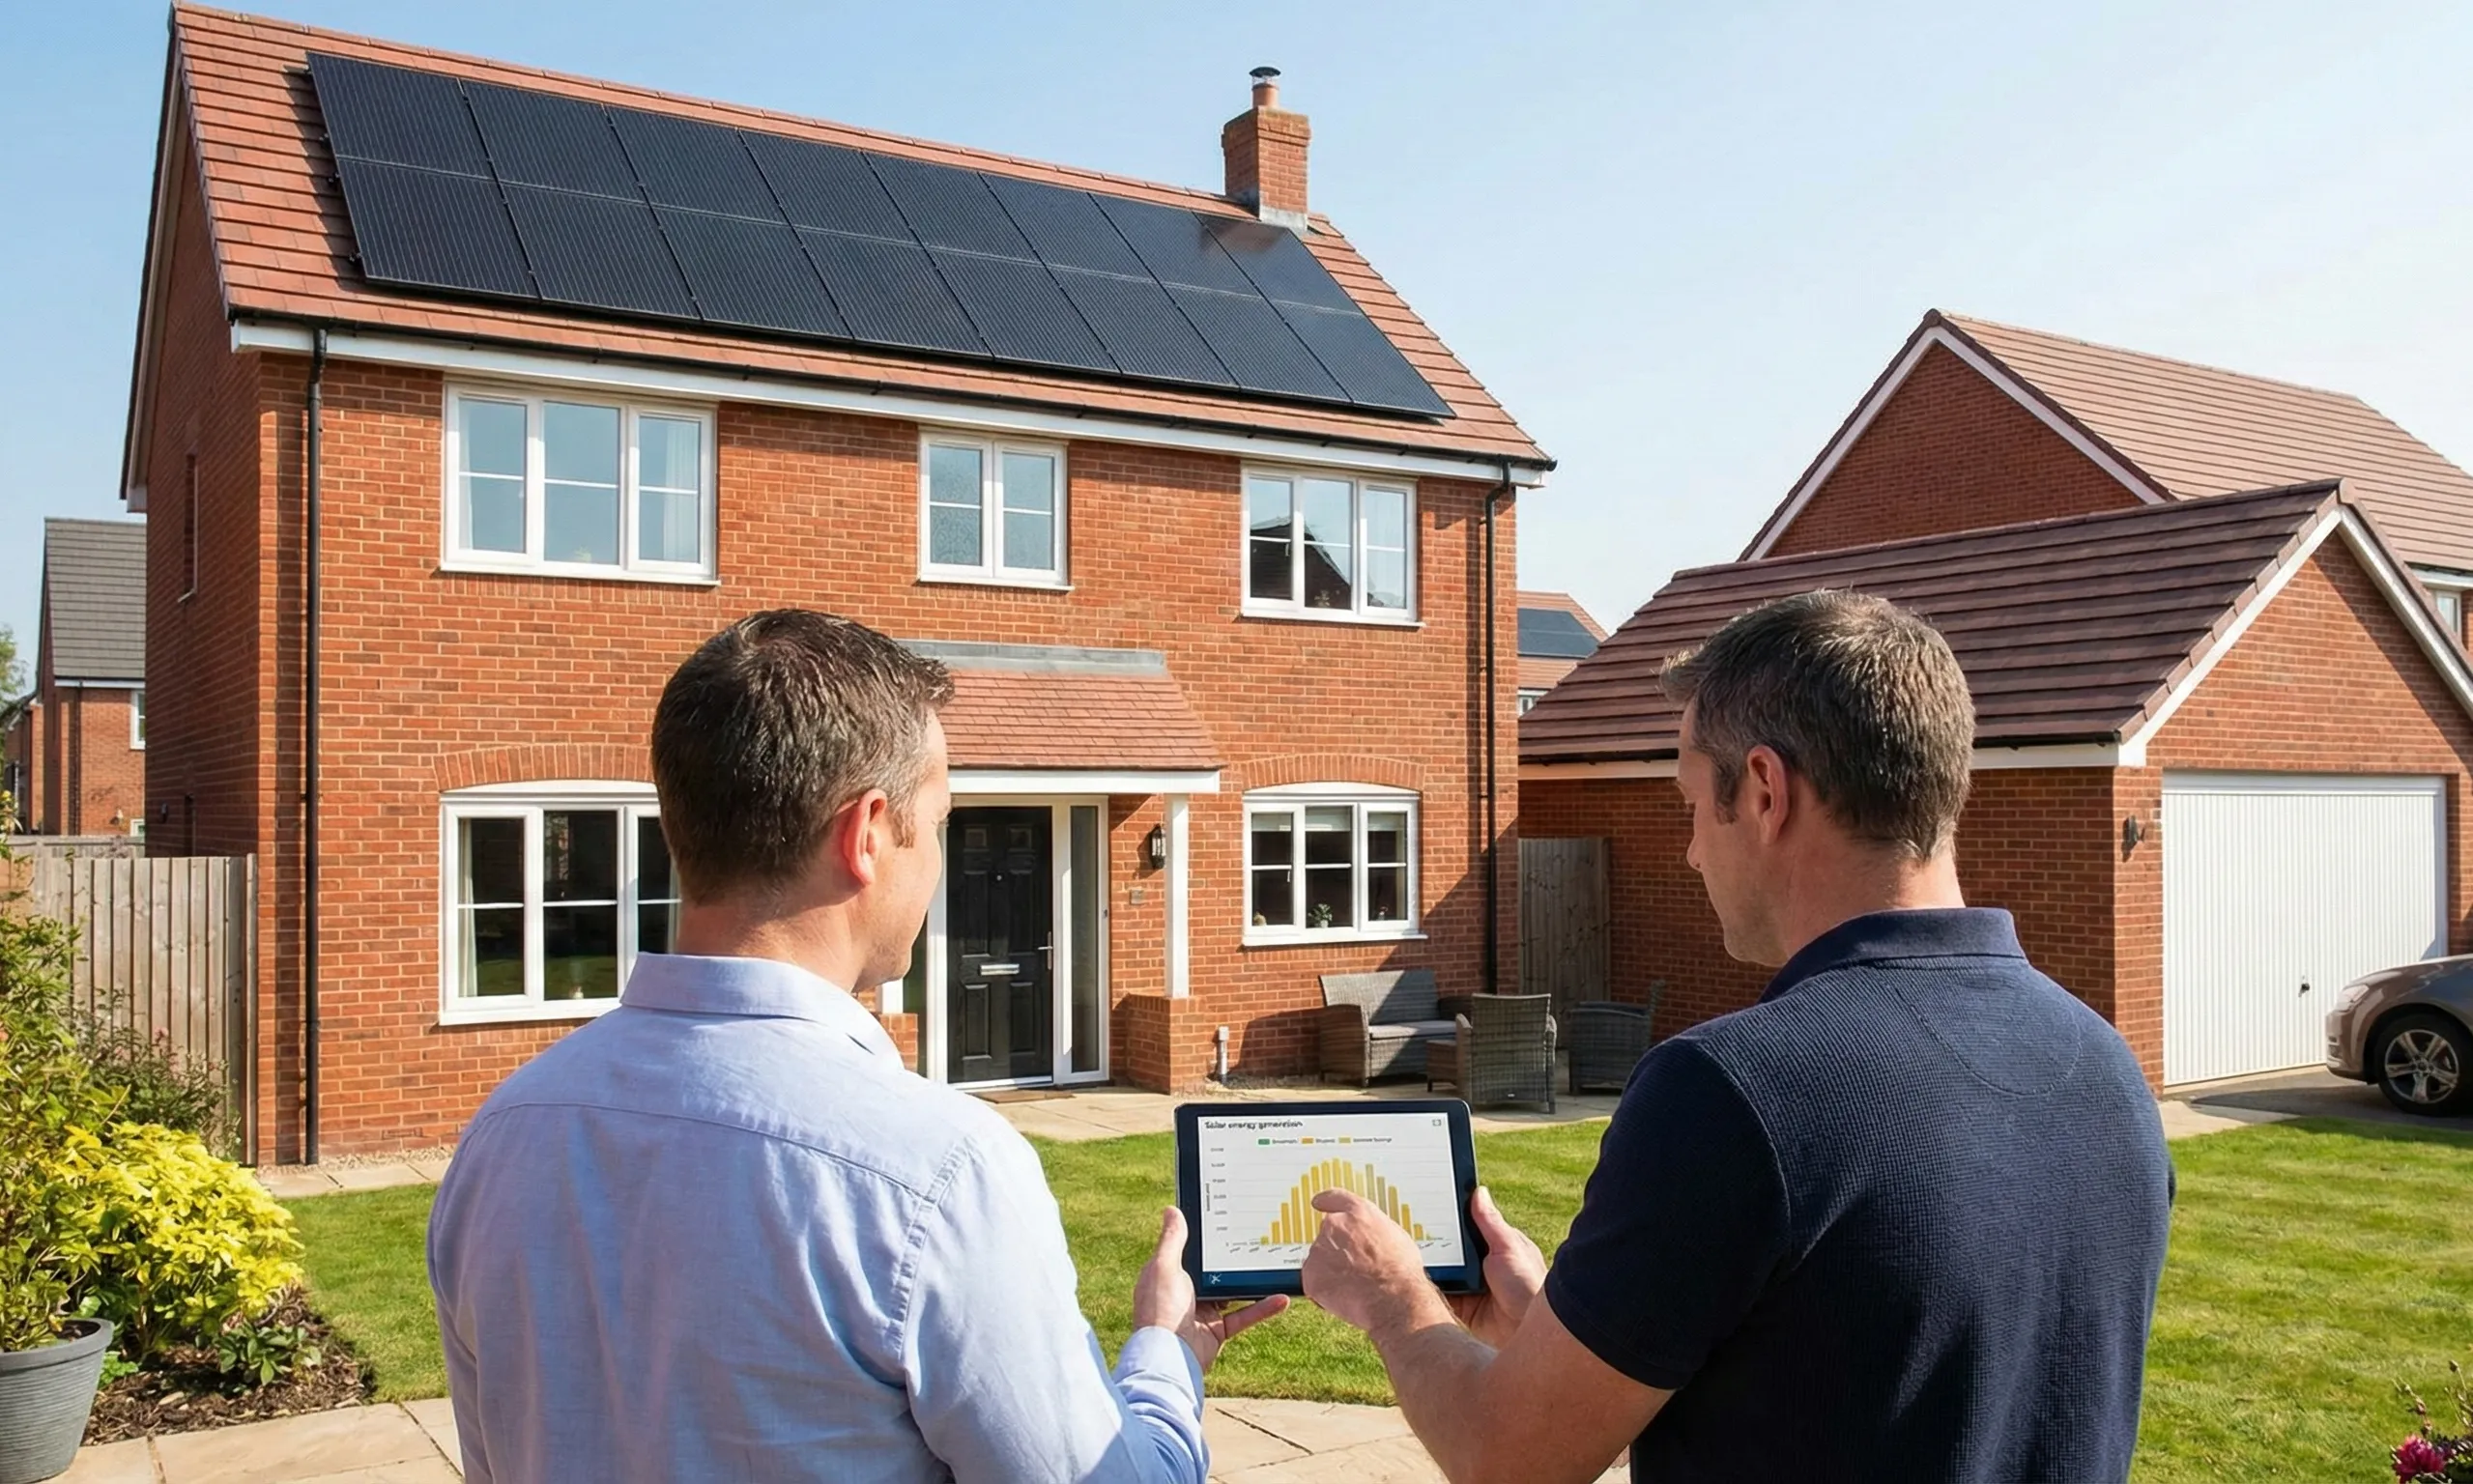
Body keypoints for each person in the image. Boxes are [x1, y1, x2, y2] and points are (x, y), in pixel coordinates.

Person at [1301, 590, 2173, 1482]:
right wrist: (1564, 1327)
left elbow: (1506, 1458)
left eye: (1688, 803)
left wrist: (1392, 1297)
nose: (1688, 851)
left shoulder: (1730, 1089)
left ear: (1762, 791)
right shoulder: (2106, 1069)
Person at [428, 610, 1283, 1483]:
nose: (939, 858)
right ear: (866, 834)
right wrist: (1164, 1355)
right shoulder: (937, 1169)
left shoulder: (501, 1134)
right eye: (940, 822)